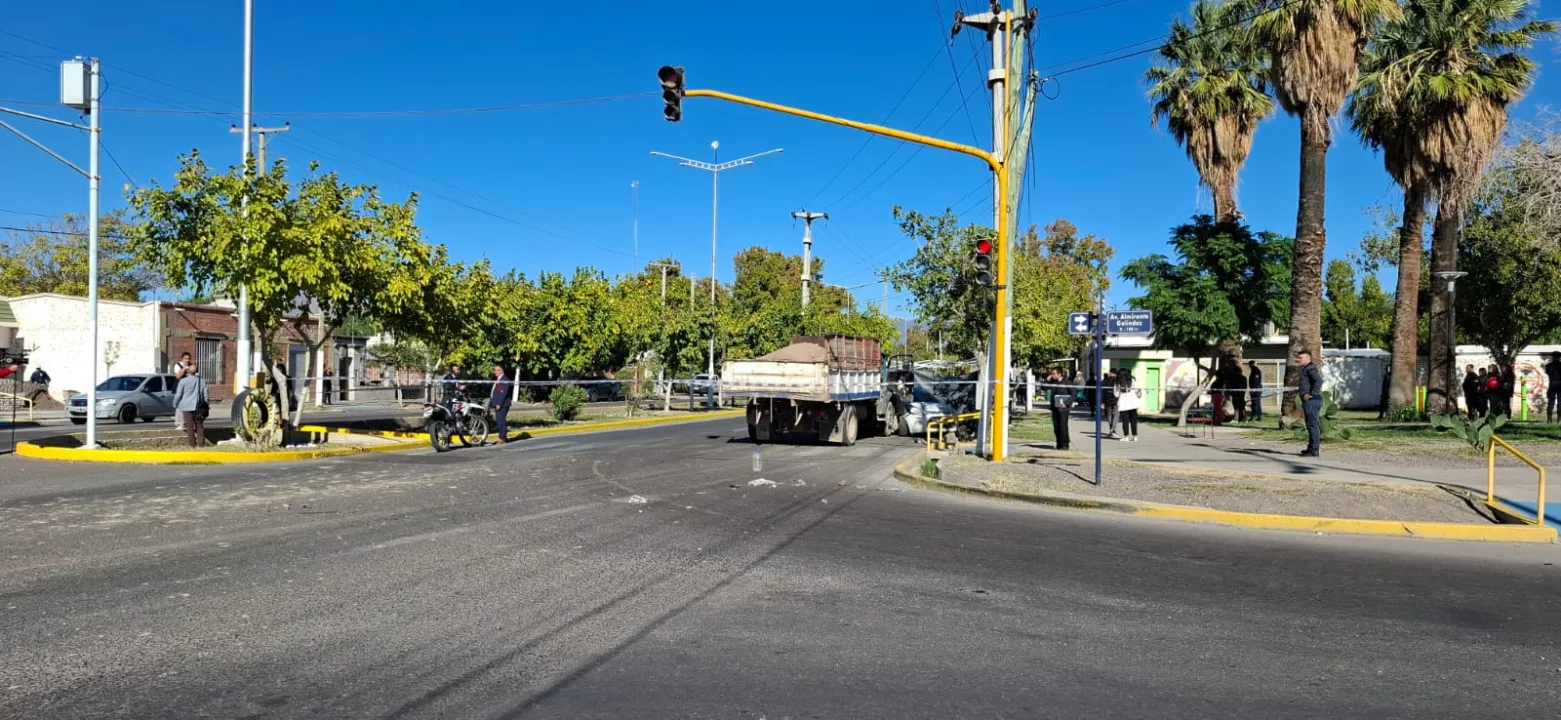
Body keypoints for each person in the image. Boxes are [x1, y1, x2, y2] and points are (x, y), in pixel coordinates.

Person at [171, 360, 210, 448]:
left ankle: (192, 444)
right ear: (196, 371)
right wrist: (207, 404)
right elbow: (206, 394)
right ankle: (201, 443)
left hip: (186, 406)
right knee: (199, 425)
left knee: (189, 426)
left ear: (188, 371)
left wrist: (175, 403)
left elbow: (178, 395)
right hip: (198, 406)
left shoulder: (183, 381)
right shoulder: (202, 381)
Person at [1298, 350, 1324, 458]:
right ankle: (1311, 447)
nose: (1299, 360)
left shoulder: (1311, 368)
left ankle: (1314, 450)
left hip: (1312, 401)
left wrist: (1311, 394)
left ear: (1307, 358)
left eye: (1300, 358)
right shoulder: (1307, 368)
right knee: (1310, 425)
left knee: (1313, 425)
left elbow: (1318, 380)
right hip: (1309, 402)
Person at [1048, 368, 1073, 451]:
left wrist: (1066, 403)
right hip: (1055, 408)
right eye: (1052, 374)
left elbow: (1074, 394)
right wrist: (1047, 380)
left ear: (1060, 374)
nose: (1053, 375)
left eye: (1054, 374)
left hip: (1064, 408)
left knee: (1063, 426)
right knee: (1056, 427)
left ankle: (1065, 444)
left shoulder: (1067, 382)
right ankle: (1059, 443)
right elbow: (1044, 387)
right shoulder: (1054, 383)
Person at [1116, 370, 1142, 442]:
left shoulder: (1118, 381)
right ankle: (1135, 436)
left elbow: (1116, 394)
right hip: (1133, 401)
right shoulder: (1132, 380)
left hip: (1123, 402)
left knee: (1125, 421)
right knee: (1133, 420)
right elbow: (1138, 390)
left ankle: (1126, 436)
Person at [490, 364, 512, 444]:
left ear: (502, 371)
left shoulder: (504, 379)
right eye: (495, 370)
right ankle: (503, 436)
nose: (495, 372)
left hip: (502, 404)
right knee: (500, 420)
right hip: (497, 403)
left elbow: (503, 393)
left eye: (497, 370)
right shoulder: (499, 379)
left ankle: (502, 437)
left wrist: (499, 403)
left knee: (501, 421)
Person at [173, 352, 193, 431]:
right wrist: (184, 368)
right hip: (181, 388)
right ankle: (180, 423)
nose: (187, 360)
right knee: (180, 406)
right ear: (182, 359)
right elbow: (178, 376)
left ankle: (187, 423)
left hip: (189, 389)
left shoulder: (192, 365)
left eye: (188, 359)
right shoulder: (178, 365)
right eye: (186, 359)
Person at [1102, 369, 1120, 438]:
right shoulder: (1118, 380)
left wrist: (1103, 401)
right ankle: (1113, 430)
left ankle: (1111, 430)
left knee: (1109, 415)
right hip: (1116, 399)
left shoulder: (1106, 380)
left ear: (1111, 373)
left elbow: (1104, 391)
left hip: (1107, 400)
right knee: (1116, 414)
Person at [1546, 352, 1561, 424]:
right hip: (1560, 384)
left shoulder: (1548, 365)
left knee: (1551, 401)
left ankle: (1549, 418)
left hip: (1552, 384)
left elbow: (1548, 373)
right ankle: (1559, 418)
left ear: (1553, 357)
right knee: (1560, 402)